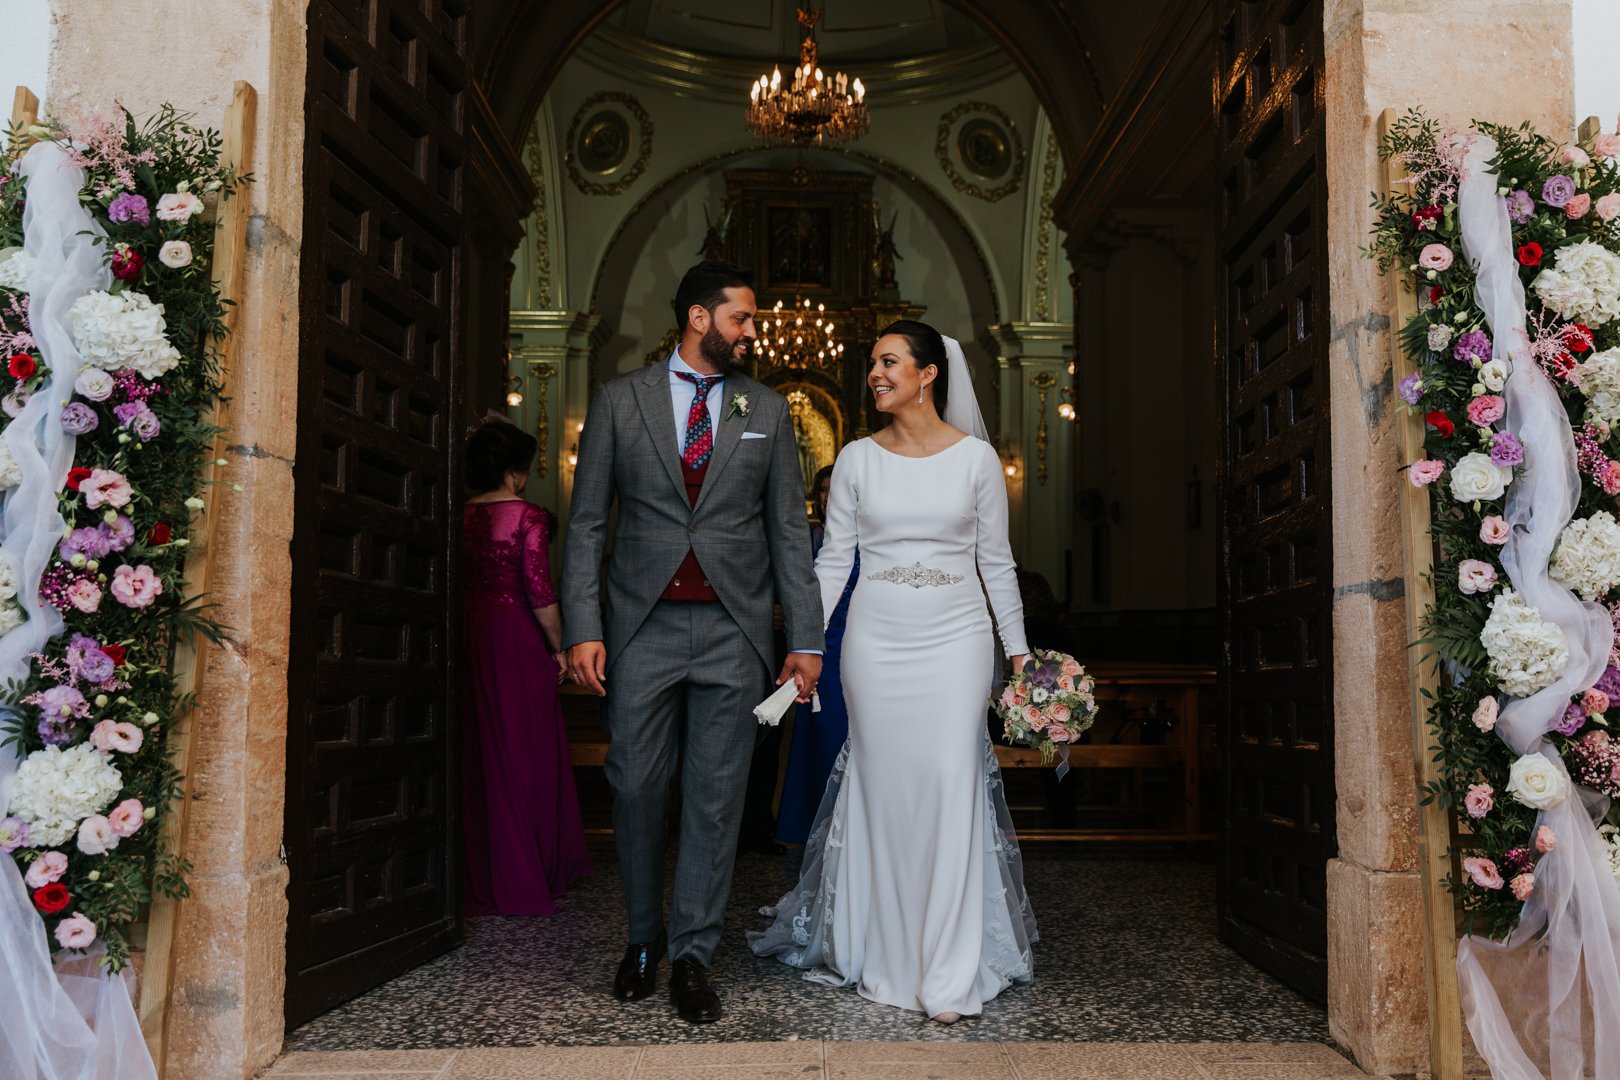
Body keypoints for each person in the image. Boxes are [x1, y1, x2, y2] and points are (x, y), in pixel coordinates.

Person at [749, 320, 1038, 1023]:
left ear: (929, 373)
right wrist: (809, 646)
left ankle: (946, 969)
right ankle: (881, 951)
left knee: (949, 784)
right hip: (875, 644)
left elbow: (995, 562)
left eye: (889, 361)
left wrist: (1022, 654)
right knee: (882, 787)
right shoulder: (855, 459)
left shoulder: (975, 460)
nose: (875, 373)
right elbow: (833, 560)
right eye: (873, 363)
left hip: (958, 639)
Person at [560, 260, 824, 1023]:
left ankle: (693, 958)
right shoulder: (618, 402)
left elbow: (786, 533)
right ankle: (643, 940)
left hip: (733, 632)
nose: (752, 332)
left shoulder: (766, 409)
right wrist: (584, 627)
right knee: (636, 786)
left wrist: (804, 638)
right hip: (639, 628)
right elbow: (585, 527)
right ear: (700, 318)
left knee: (715, 801)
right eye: (741, 317)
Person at [461, 418, 593, 916]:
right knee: (523, 751)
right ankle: (525, 871)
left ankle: (482, 870)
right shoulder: (527, 515)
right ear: (515, 471)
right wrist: (559, 648)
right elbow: (539, 589)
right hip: (513, 638)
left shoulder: (459, 514)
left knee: (478, 750)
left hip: (468, 635)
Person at [775, 465, 855, 846]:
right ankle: (819, 834)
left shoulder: (873, 538)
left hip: (865, 644)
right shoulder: (807, 539)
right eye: (822, 491)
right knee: (823, 739)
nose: (828, 497)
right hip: (821, 649)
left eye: (834, 489)